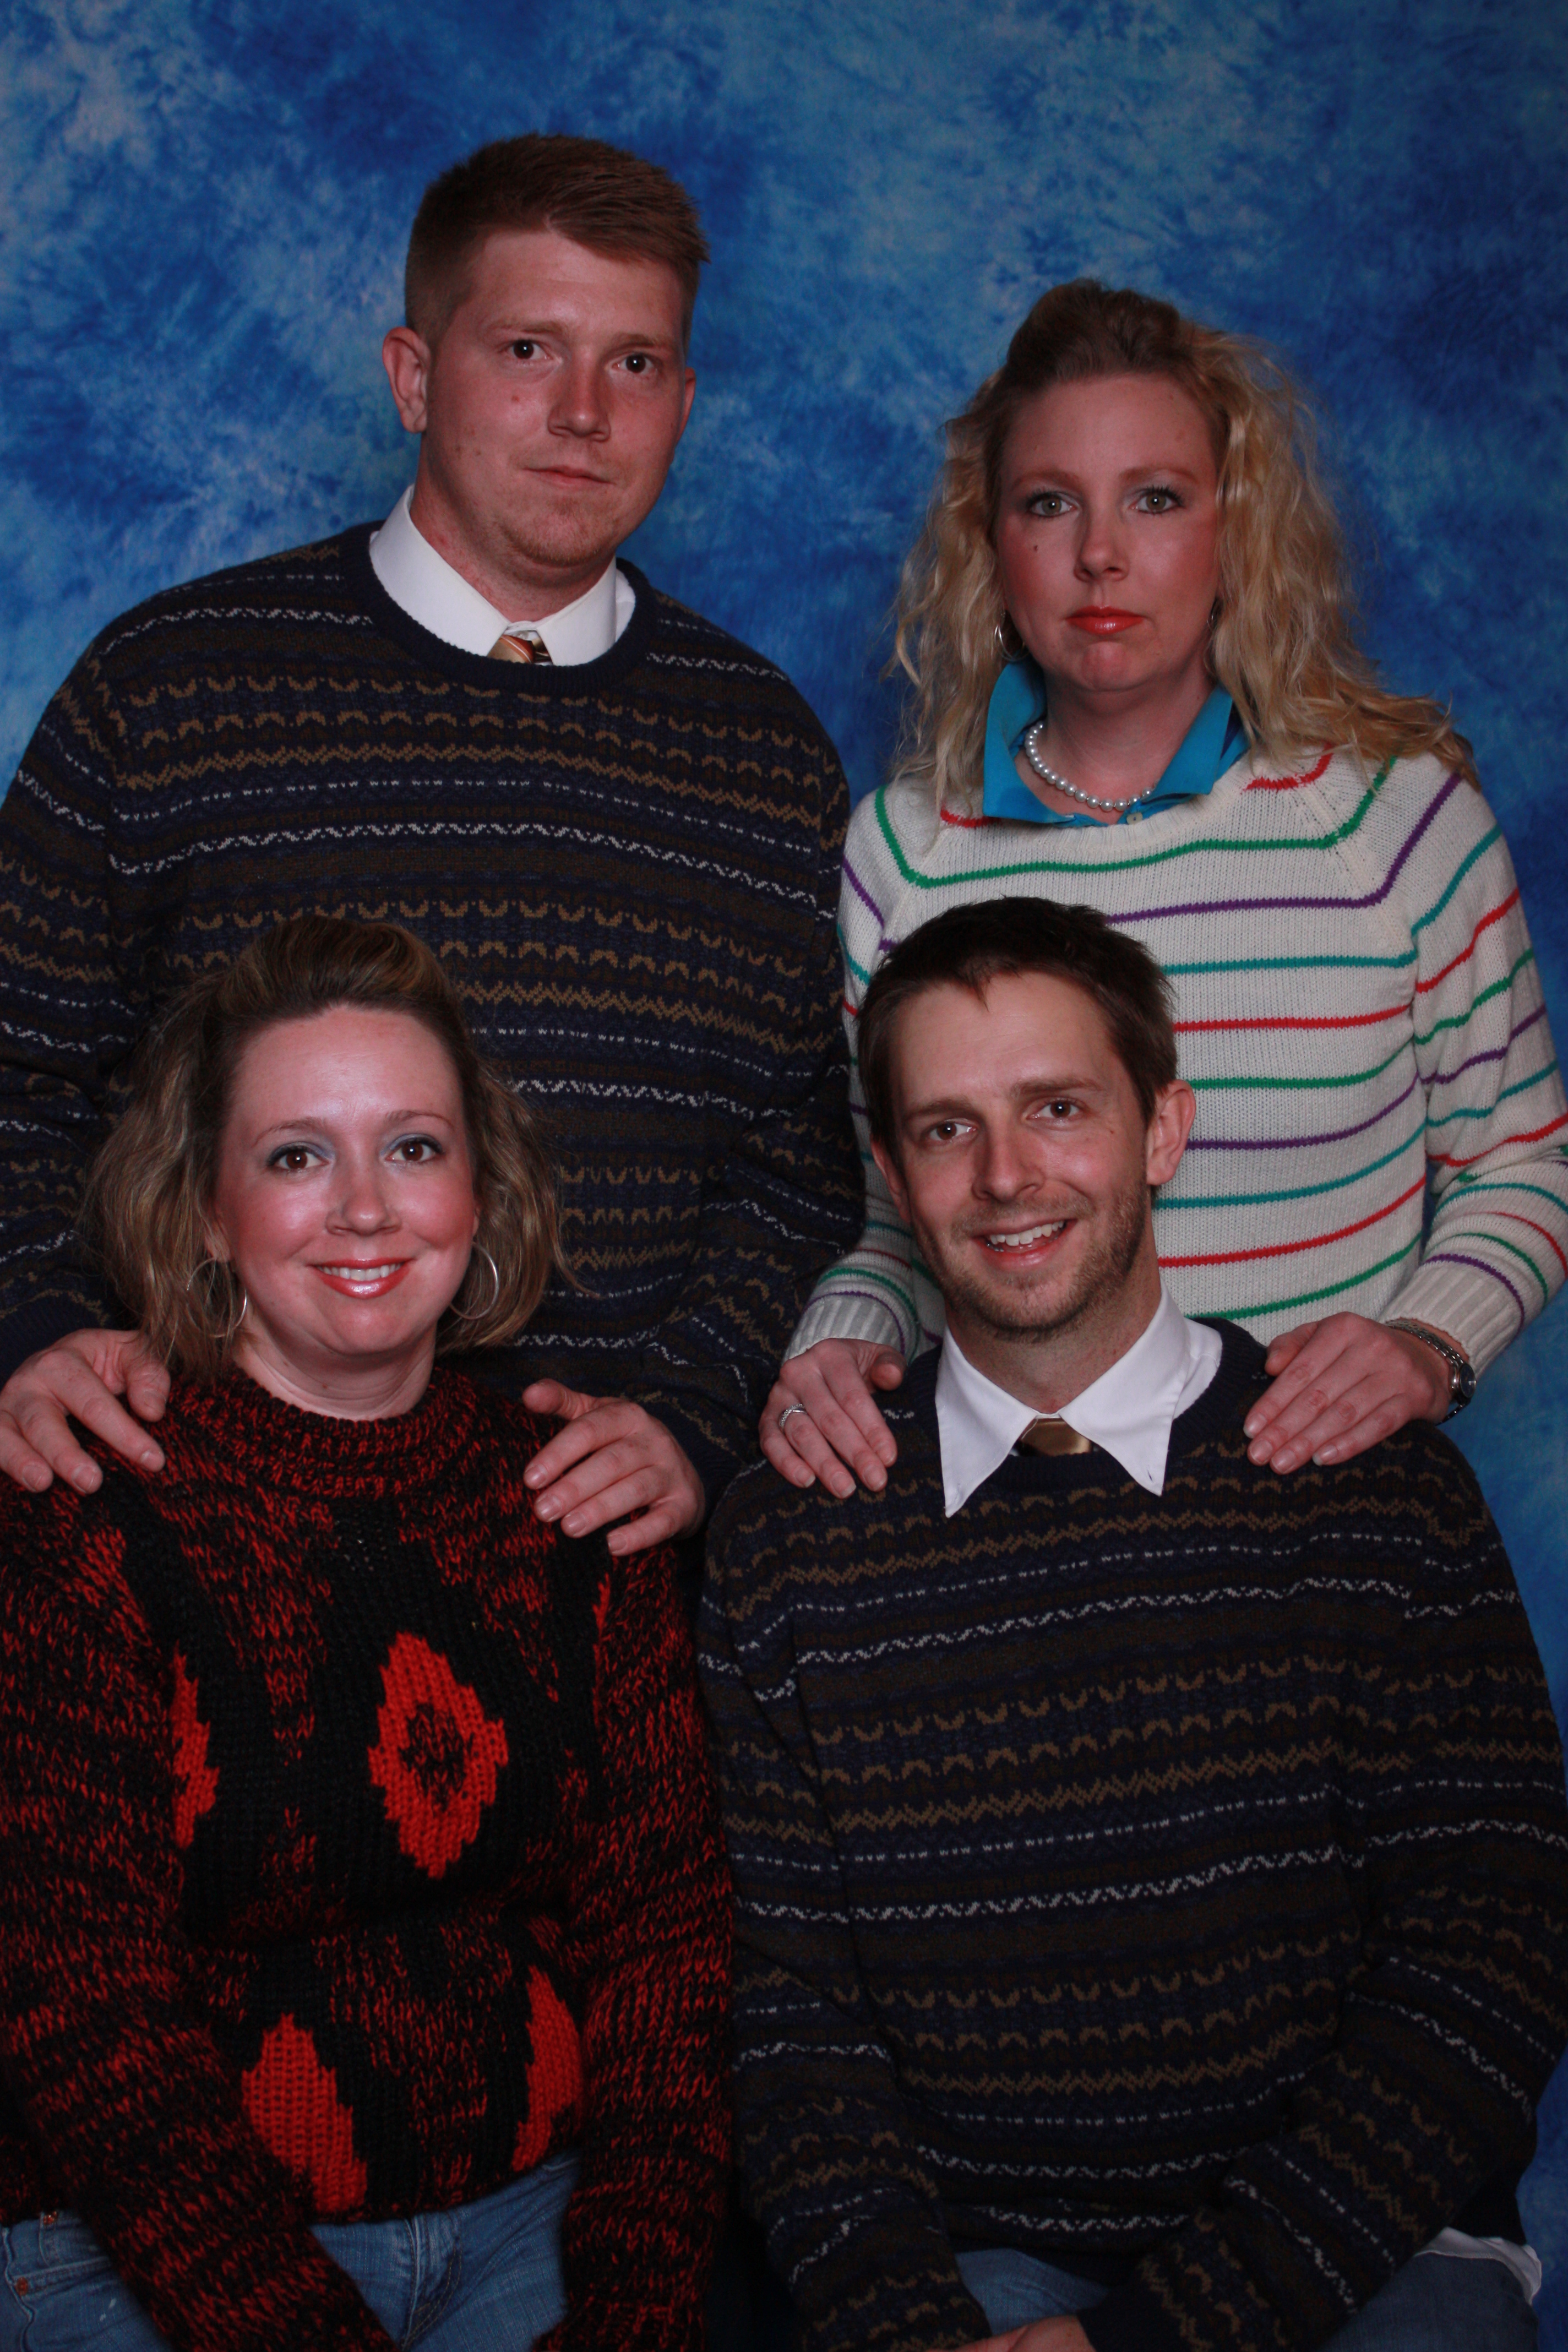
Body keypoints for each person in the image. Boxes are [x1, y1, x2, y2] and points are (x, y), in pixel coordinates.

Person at [703, 897, 1568, 2352]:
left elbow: (1494, 1957)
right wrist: (908, 2328)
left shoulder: (1374, 1494)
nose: (1006, 1177)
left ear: (1163, 1130)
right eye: (946, 1129)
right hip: (979, 2261)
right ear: (894, 1175)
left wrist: (1170, 2333)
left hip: (1356, 2246)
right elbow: (788, 2025)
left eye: (1058, 1108)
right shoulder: (791, 1540)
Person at [0, 132, 859, 1559]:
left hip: (605, 1564)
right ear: (411, 376)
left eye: (635, 363)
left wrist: (695, 1416)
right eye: (527, 349)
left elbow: (803, 1160)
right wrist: (38, 1326)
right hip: (201, 1535)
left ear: (684, 402)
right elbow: (20, 1069)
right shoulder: (172, 690)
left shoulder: (762, 752)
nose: (582, 413)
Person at [0, 915, 731, 2352]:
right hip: (142, 2245)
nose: (364, 1209)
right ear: (206, 1210)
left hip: (530, 2218)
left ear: (481, 1189)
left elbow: (667, 1950)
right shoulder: (87, 1502)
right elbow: (76, 1999)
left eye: (413, 1147)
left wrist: (636, 2311)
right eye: (295, 1157)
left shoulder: (573, 1489)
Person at [763, 277, 1567, 1502]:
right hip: (1012, 1527)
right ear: (991, 543)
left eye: (1155, 498)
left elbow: (1522, 1158)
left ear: (1233, 531)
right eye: (1049, 503)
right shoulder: (902, 855)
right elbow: (893, 1224)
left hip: (1322, 1518)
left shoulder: (1392, 823)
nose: (1100, 554)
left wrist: (1427, 1343)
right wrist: (839, 1344)